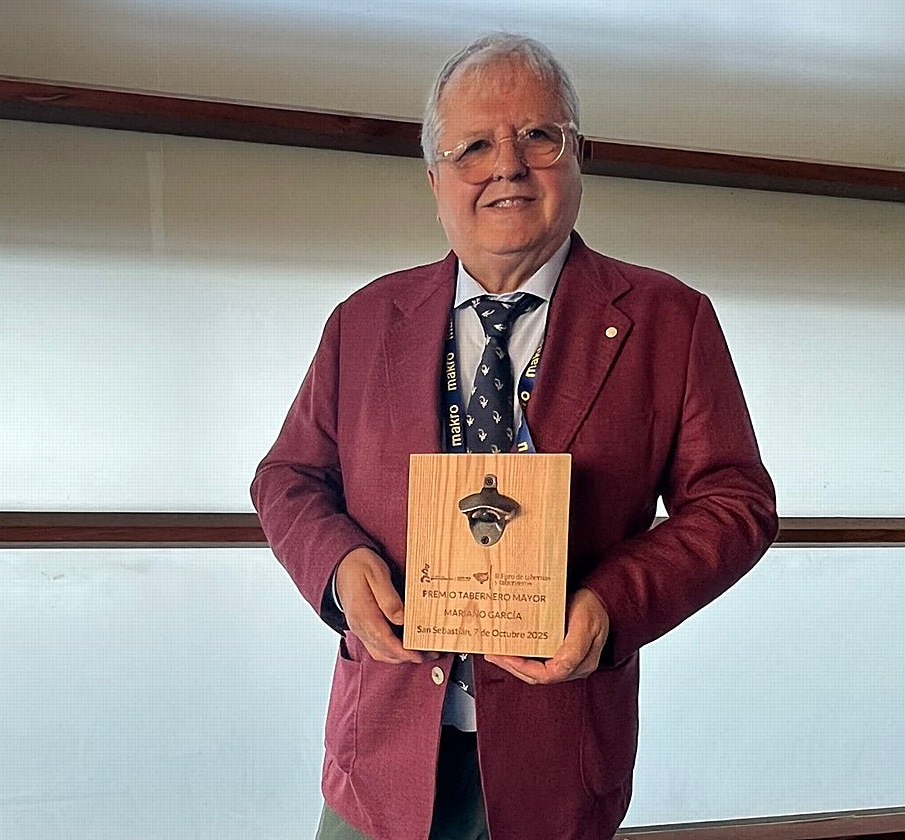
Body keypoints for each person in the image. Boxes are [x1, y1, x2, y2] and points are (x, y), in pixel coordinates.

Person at [251, 32, 777, 840]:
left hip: (560, 756)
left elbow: (736, 501)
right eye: (473, 146)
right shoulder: (364, 321)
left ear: (578, 156)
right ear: (435, 181)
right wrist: (339, 570)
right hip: (381, 755)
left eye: (538, 135)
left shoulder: (669, 320)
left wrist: (611, 606)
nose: (507, 164)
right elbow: (286, 477)